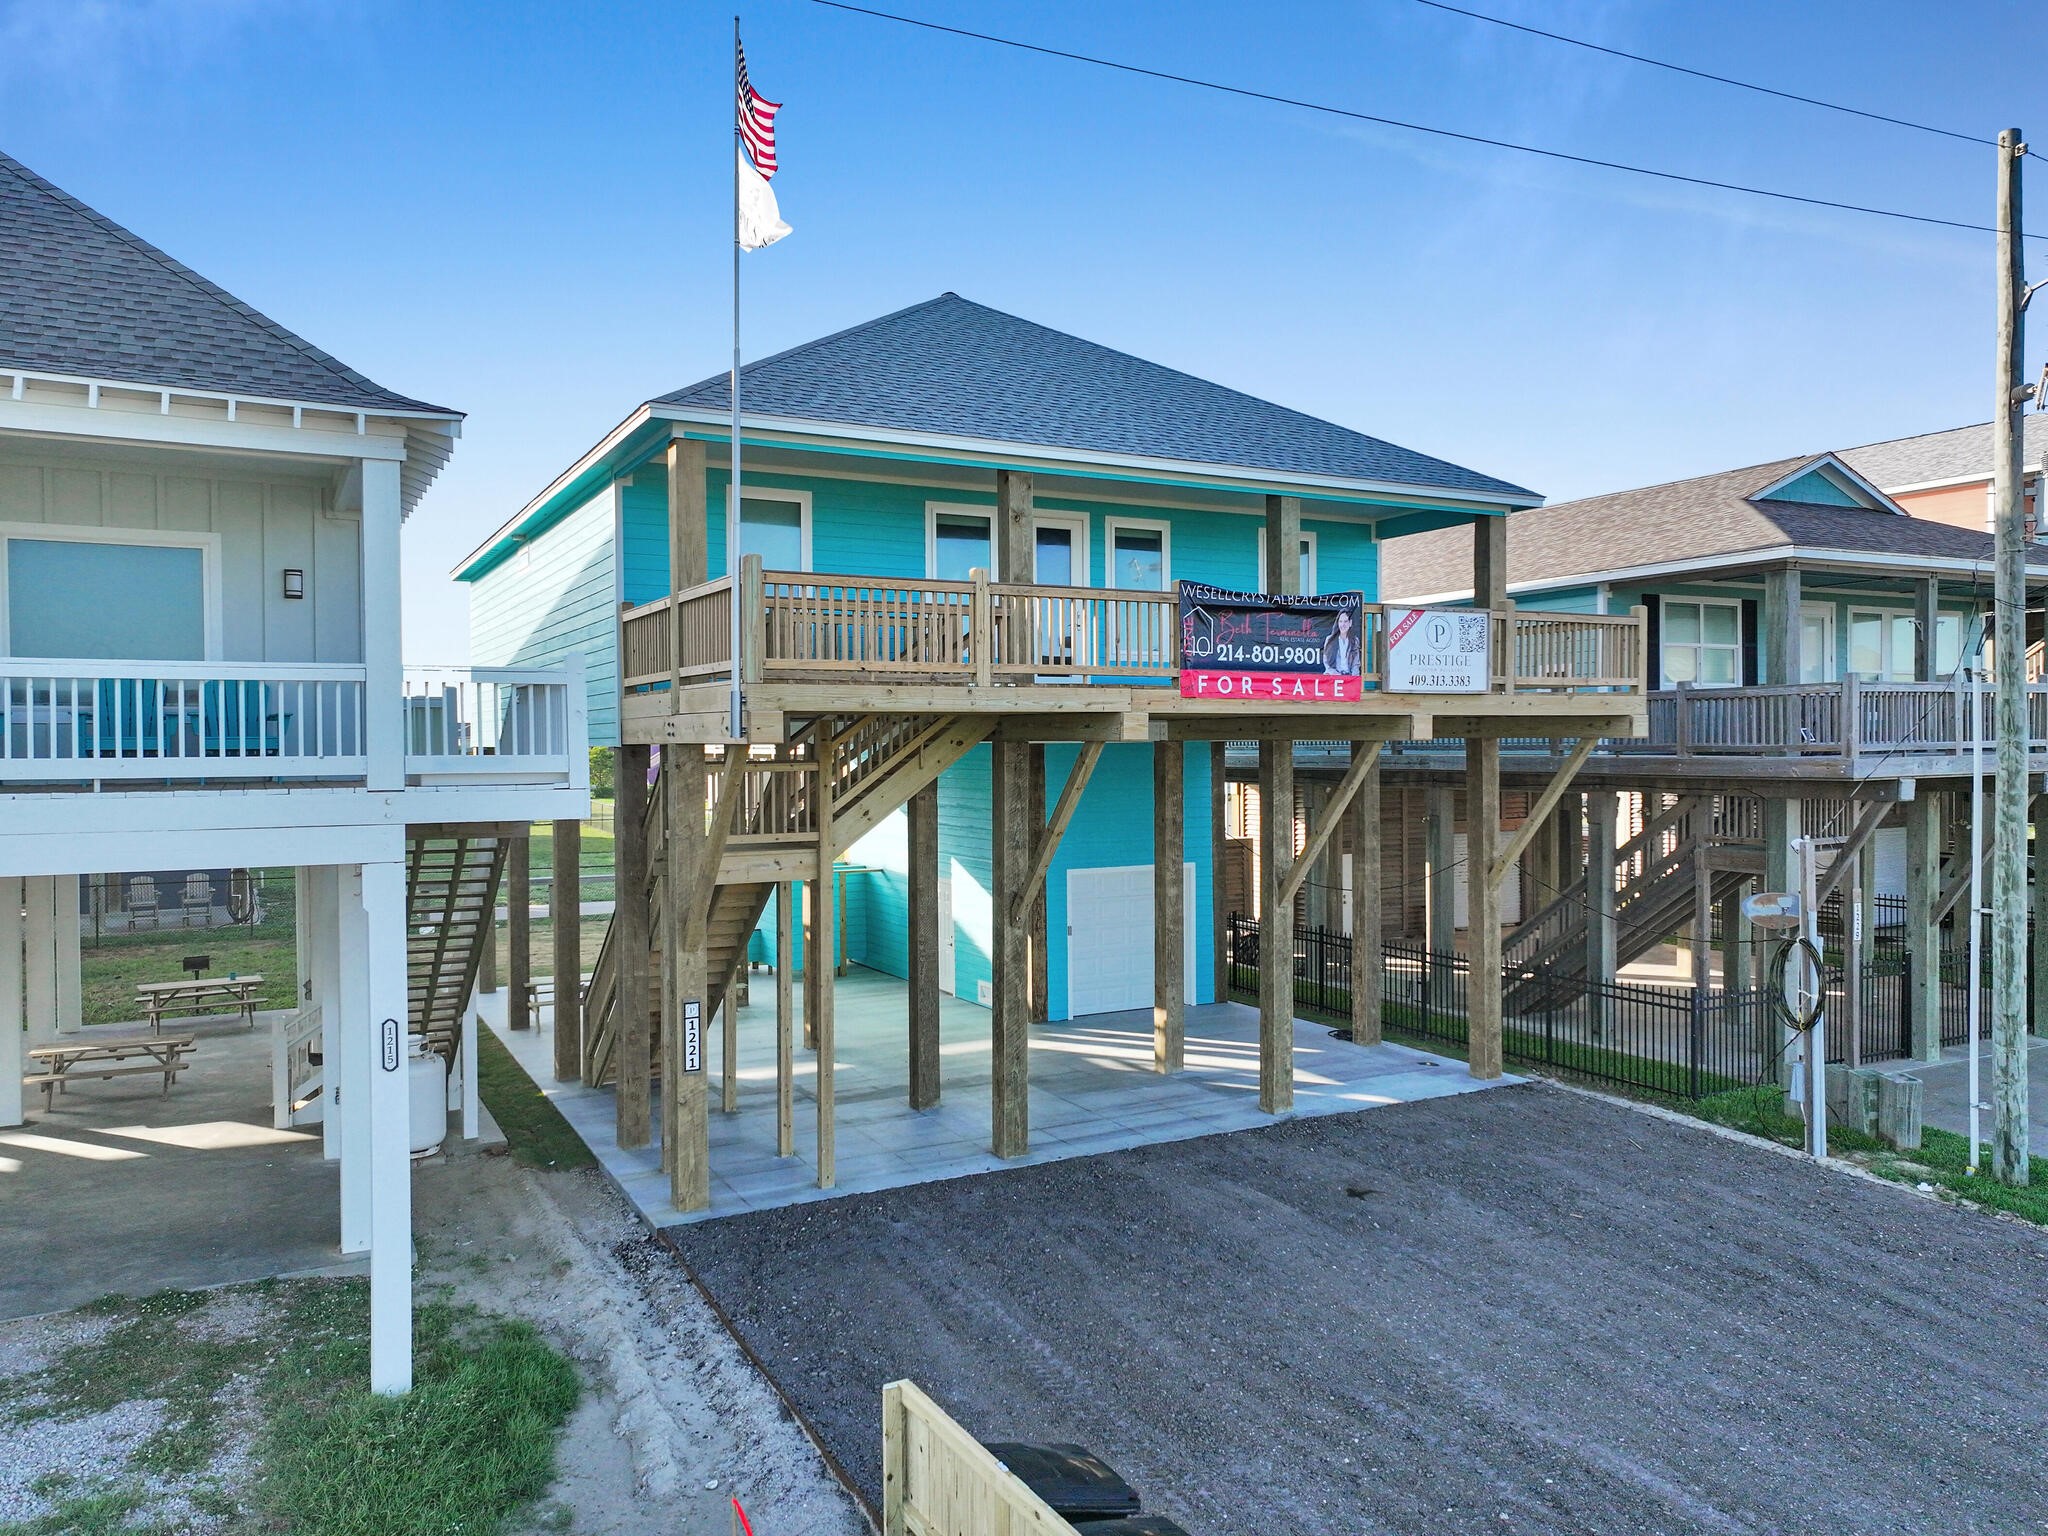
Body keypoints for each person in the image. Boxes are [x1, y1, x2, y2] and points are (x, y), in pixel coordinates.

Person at [1322, 605, 1360, 676]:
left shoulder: (1355, 641)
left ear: (1350, 623)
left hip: (1349, 678)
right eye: (1340, 621)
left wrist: (1353, 678)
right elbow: (1327, 663)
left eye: (1345, 621)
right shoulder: (1329, 640)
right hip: (1333, 676)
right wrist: (1337, 675)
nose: (1343, 624)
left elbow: (1356, 664)